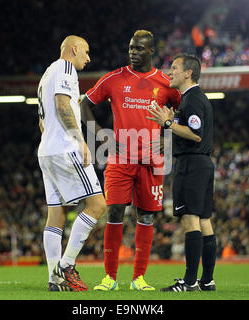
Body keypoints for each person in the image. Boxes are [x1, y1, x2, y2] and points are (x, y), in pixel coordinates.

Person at [81, 30, 181, 291]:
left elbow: (183, 112)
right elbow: (85, 104)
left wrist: (168, 134)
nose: (133, 52)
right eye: (131, 48)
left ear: (151, 51)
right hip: (120, 158)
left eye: (139, 49)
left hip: (152, 159)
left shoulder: (166, 83)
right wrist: (101, 135)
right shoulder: (114, 78)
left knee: (146, 217)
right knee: (114, 211)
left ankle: (139, 279)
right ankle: (110, 278)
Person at [37, 35, 107, 292]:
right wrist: (79, 140)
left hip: (46, 151)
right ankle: (66, 265)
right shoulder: (65, 68)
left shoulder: (46, 75)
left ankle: (54, 279)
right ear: (73, 49)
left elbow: (42, 121)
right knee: (98, 204)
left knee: (55, 215)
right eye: (86, 52)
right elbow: (62, 104)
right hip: (65, 148)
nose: (88, 58)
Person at [146, 53, 217, 292]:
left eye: (175, 67)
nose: (170, 71)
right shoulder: (195, 98)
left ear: (188, 72)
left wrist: (168, 124)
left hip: (192, 165)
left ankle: (189, 282)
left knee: (190, 220)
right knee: (204, 220)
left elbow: (195, 134)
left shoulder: (192, 99)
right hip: (203, 163)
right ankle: (206, 281)